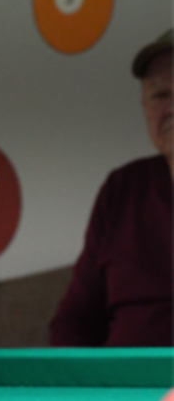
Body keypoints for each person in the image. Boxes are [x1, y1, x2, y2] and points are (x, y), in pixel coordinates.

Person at [49, 29, 173, 347]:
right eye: (160, 96)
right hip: (118, 390)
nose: (171, 108)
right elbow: (75, 319)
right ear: (145, 107)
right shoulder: (123, 188)